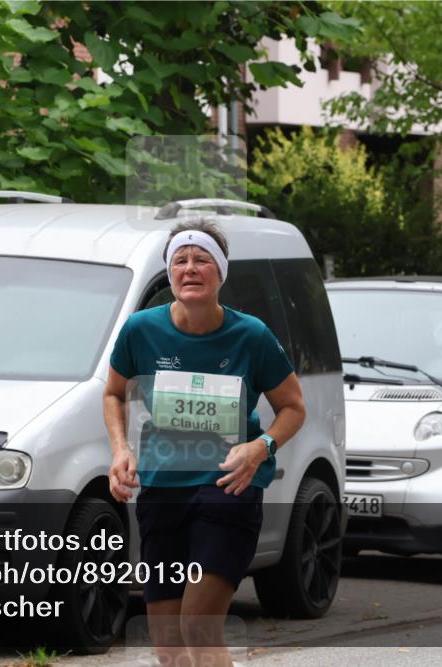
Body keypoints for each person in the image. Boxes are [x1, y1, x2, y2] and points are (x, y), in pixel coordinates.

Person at [103, 219, 306, 667]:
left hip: (227, 490)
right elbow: (114, 393)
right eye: (180, 260)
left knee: (199, 626)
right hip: (161, 490)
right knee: (169, 646)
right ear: (170, 273)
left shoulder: (251, 335)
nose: (190, 268)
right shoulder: (141, 330)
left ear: (220, 273)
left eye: (202, 260)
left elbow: (293, 408)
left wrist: (260, 448)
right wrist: (120, 449)